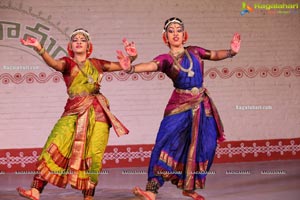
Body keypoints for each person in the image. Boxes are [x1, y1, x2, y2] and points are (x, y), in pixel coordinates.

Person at [117, 17, 241, 200]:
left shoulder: (195, 51)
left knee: (205, 145)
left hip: (201, 103)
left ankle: (189, 188)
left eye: (178, 30)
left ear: (184, 35)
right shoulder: (165, 59)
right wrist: (131, 69)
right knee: (164, 142)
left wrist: (231, 52)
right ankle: (151, 189)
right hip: (178, 105)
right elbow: (151, 66)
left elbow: (214, 54)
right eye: (171, 31)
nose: (175, 33)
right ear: (165, 37)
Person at [17, 29, 137, 200]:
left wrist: (132, 57)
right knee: (54, 144)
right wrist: (40, 48)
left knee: (94, 155)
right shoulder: (67, 63)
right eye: (75, 39)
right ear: (70, 46)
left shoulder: (97, 64)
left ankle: (88, 196)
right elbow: (54, 64)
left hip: (98, 113)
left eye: (83, 39)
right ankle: (35, 191)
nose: (79, 41)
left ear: (89, 46)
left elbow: (122, 66)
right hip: (73, 111)